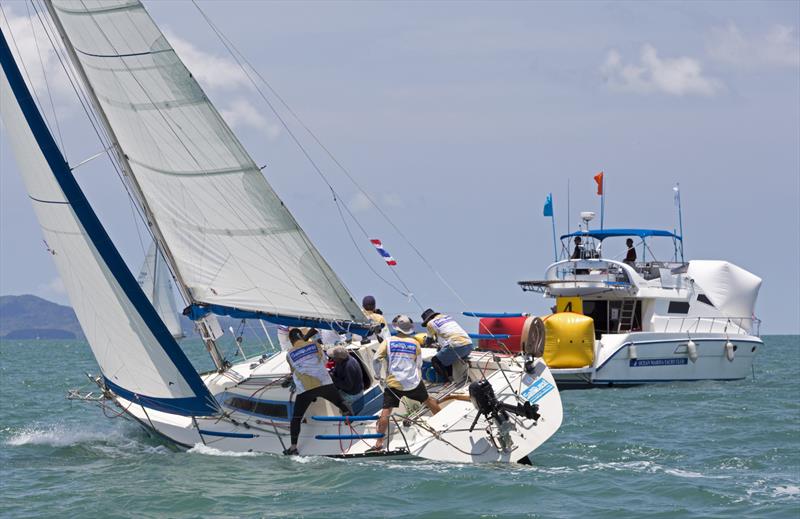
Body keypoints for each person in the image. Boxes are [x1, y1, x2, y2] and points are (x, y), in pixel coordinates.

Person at [369, 315, 441, 452]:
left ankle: (379, 443)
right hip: (412, 382)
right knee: (428, 400)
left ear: (396, 328)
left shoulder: (388, 342)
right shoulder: (415, 343)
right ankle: (442, 423)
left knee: (386, 412)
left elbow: (376, 359)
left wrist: (378, 375)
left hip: (394, 383)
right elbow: (418, 364)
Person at [283, 328, 349, 455]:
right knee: (342, 403)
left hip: (306, 390)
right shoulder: (315, 344)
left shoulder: (289, 354)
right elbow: (324, 360)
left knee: (296, 418)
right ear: (302, 336)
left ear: (291, 340)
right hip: (325, 383)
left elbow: (293, 371)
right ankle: (351, 426)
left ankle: (293, 447)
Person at [421, 308, 474, 382]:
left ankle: (446, 381)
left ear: (428, 319)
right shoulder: (447, 317)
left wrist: (425, 344)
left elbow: (429, 341)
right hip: (469, 345)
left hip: (457, 346)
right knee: (446, 358)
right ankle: (452, 378)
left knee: (435, 361)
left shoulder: (430, 323)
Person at [329, 345, 365, 412]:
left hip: (353, 394)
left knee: (334, 398)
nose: (332, 359)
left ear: (339, 358)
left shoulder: (349, 366)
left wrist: (334, 379)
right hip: (350, 389)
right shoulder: (342, 360)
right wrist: (332, 374)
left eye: (334, 357)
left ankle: (347, 416)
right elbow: (336, 370)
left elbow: (348, 386)